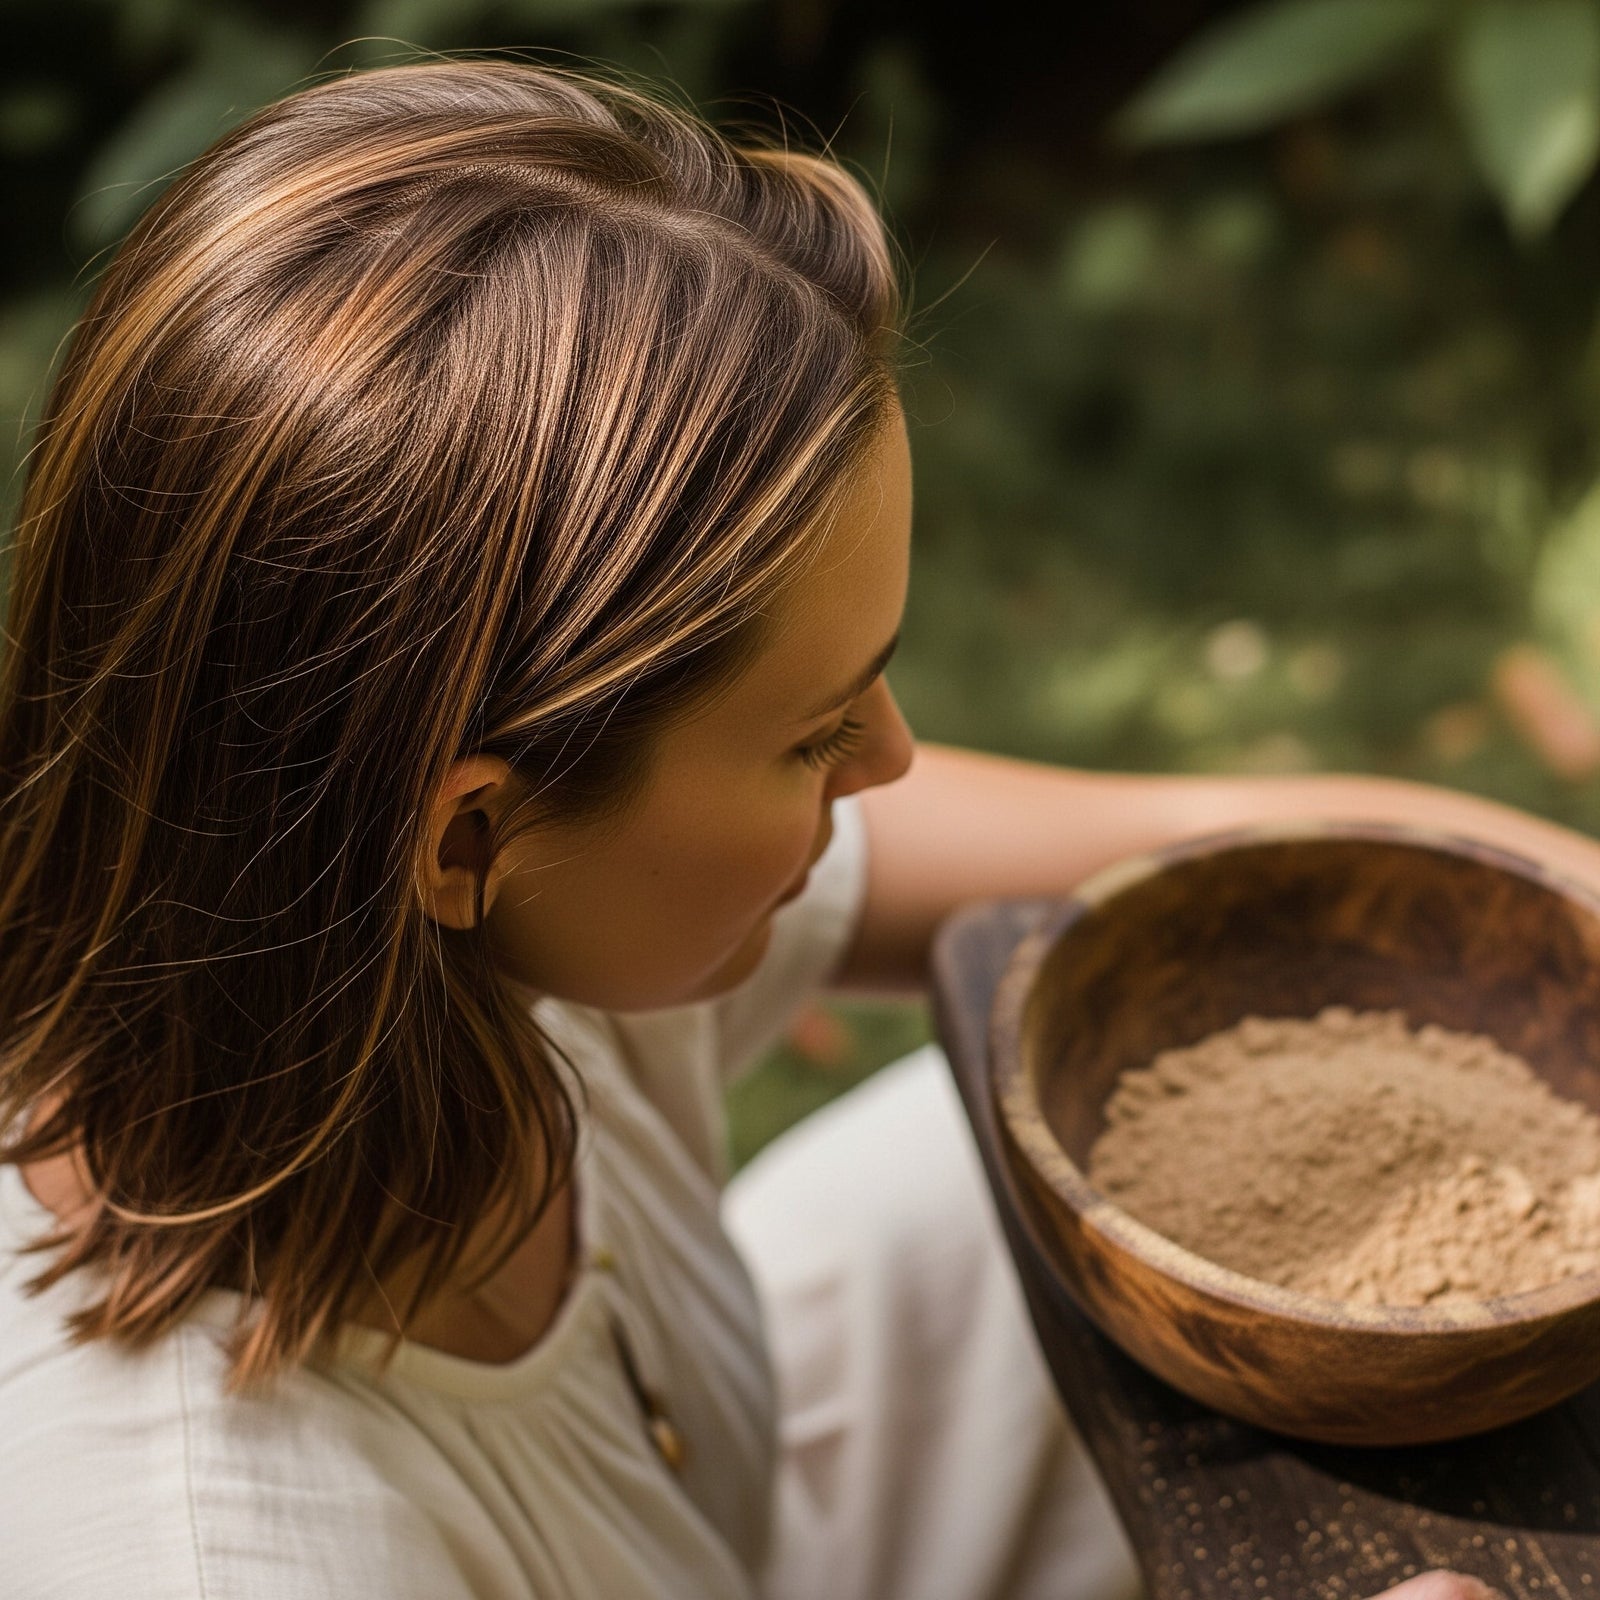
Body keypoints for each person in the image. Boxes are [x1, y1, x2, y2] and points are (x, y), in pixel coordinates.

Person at [0, 58, 1539, 1600]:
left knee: (1068, 1098)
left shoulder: (397, 938)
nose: (895, 758)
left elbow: (1213, 865)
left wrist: (1551, 900)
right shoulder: (214, 1548)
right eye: (811, 735)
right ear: (466, 839)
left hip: (736, 1525)